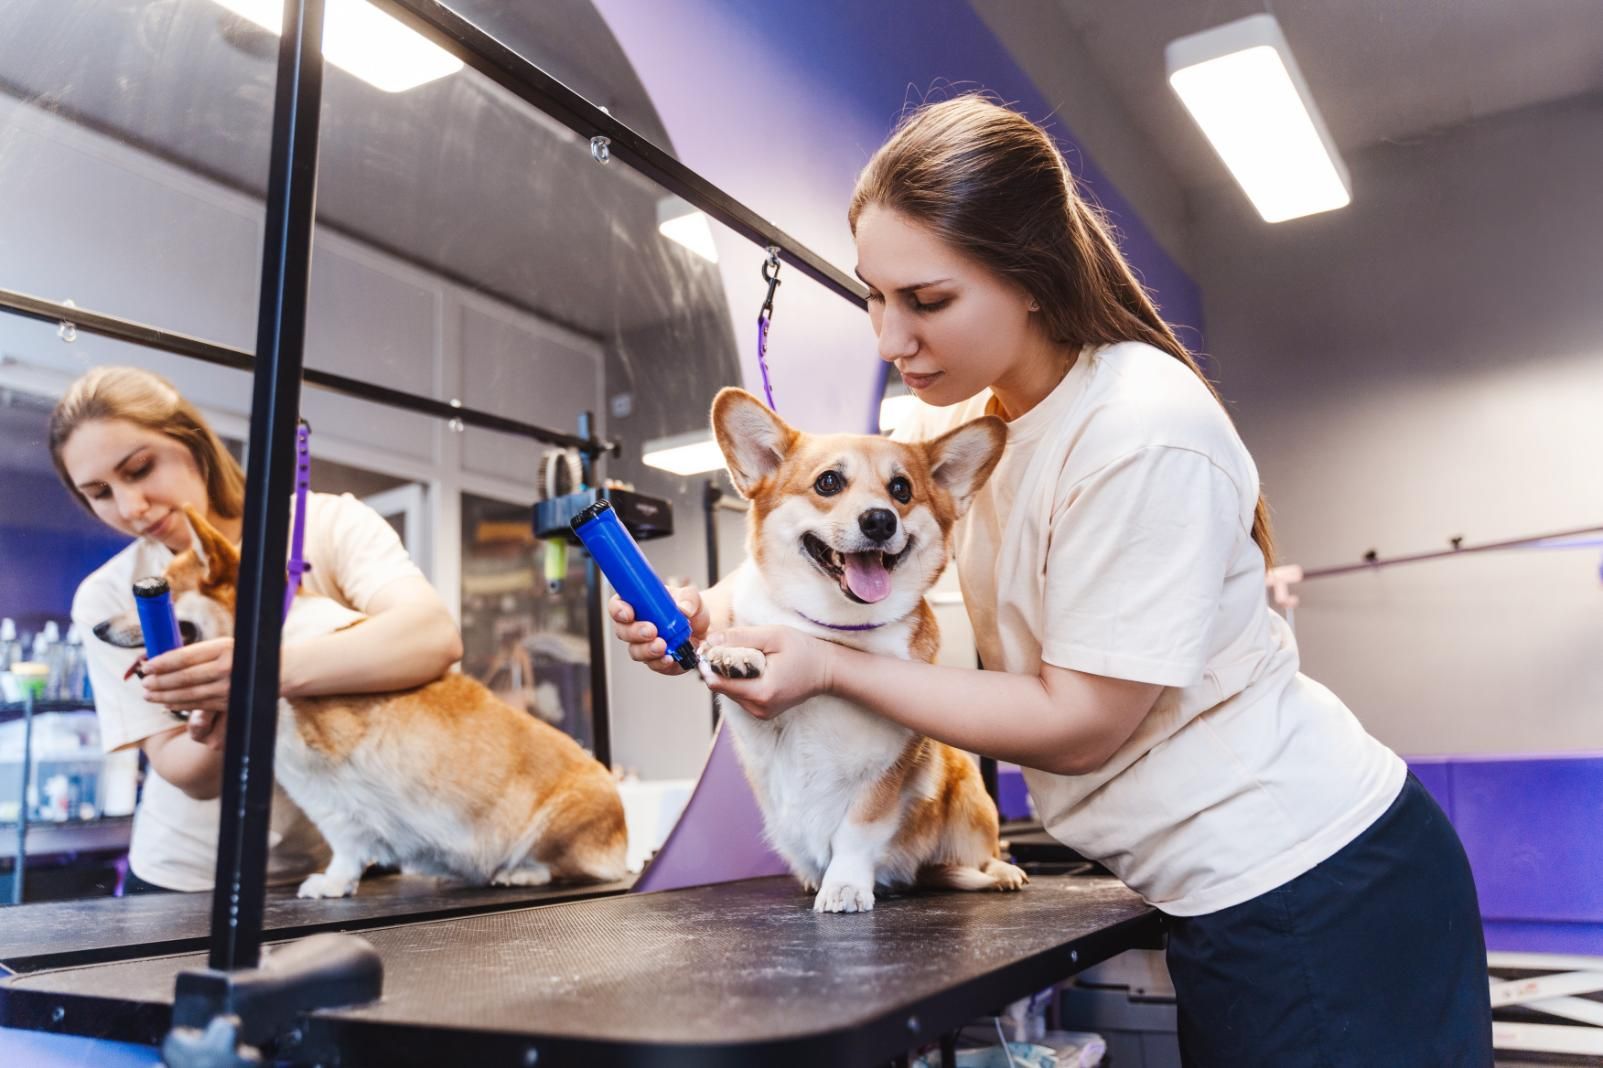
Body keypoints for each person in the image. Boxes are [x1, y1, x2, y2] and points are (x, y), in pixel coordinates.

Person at [610, 96, 1493, 1065]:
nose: (889, 338)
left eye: (927, 301)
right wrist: (706, 616)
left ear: (1030, 279)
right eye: (874, 295)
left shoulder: (1137, 429)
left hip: (1316, 889)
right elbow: (849, 589)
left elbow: (1082, 722)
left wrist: (822, 667)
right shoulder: (969, 444)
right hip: (1221, 889)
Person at [51, 366, 463, 893]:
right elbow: (189, 774)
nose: (131, 507)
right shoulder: (112, 598)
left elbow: (432, 638)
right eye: (99, 493)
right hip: (195, 879)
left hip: (358, 857)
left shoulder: (327, 527)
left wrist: (258, 677)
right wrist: (232, 704)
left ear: (194, 443)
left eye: (139, 468)